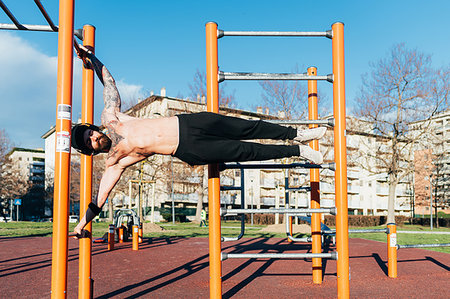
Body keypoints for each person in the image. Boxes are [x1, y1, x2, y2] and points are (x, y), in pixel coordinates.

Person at [72, 46, 326, 237]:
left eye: (91, 133)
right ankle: (298, 150)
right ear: (91, 150)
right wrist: (81, 225)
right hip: (188, 149)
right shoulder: (115, 162)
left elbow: (109, 82)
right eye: (90, 142)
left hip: (188, 123)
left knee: (246, 127)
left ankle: (296, 134)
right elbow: (100, 198)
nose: (95, 138)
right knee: (245, 150)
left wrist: (90, 58)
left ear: (94, 128)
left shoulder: (111, 116)